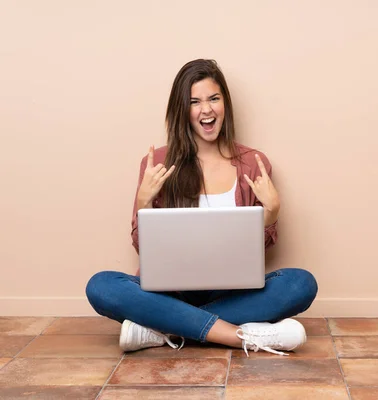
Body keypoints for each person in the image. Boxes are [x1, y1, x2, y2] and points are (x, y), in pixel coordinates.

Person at [85, 59, 318, 356]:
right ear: (182, 110)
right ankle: (240, 335)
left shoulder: (252, 162)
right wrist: (144, 202)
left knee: (300, 284)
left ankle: (163, 327)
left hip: (232, 292)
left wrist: (271, 215)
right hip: (170, 291)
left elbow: (258, 251)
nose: (206, 109)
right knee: (101, 286)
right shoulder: (158, 162)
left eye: (213, 99)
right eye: (194, 102)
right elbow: (145, 249)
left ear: (225, 105)